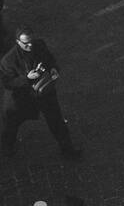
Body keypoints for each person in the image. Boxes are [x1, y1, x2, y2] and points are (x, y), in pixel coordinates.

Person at [0, 28, 82, 159]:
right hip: (22, 98)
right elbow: (8, 83)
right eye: (26, 43)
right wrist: (27, 78)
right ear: (17, 42)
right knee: (12, 123)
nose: (30, 45)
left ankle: (67, 149)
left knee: (56, 121)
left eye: (31, 41)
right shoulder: (8, 60)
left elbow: (49, 59)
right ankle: (7, 147)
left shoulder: (39, 45)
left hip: (44, 92)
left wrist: (53, 69)